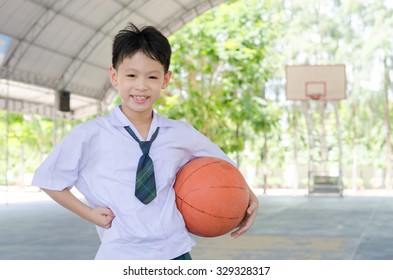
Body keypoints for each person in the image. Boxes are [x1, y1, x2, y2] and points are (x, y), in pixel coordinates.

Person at [32, 22, 259, 260]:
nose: (141, 86)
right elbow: (49, 179)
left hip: (174, 251)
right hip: (121, 252)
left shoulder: (180, 133)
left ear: (165, 79)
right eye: (131, 75)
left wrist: (249, 195)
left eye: (152, 76)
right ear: (114, 75)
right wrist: (89, 213)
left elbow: (224, 166)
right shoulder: (90, 135)